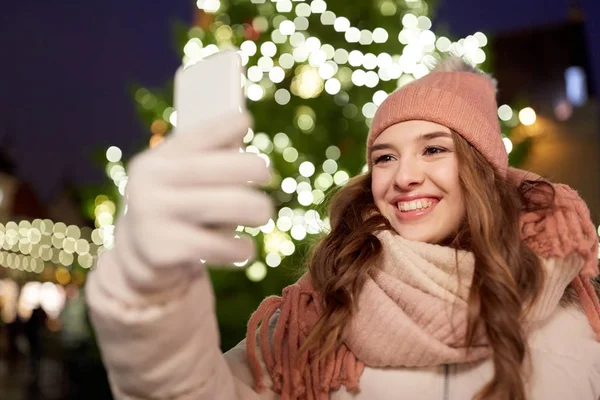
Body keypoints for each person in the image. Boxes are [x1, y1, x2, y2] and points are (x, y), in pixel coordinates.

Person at [85, 56, 600, 400]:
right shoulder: (318, 314)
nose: (404, 177)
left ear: (482, 172)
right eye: (384, 157)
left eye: (435, 149)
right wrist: (148, 289)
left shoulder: (574, 318)